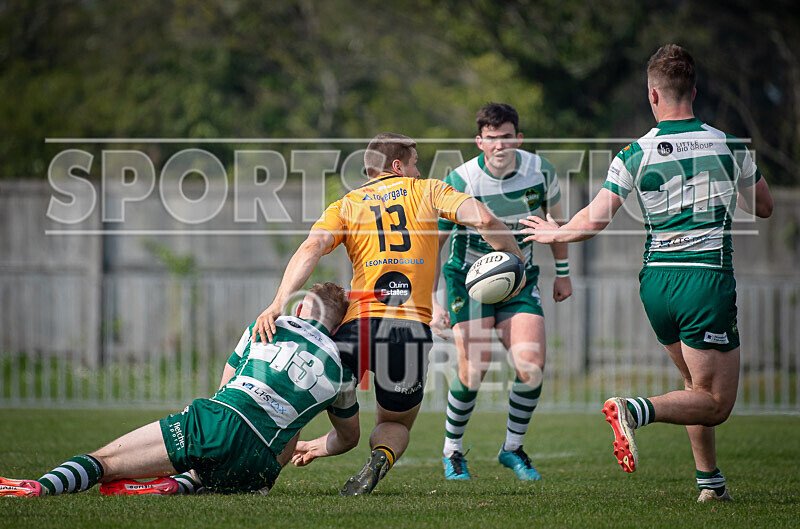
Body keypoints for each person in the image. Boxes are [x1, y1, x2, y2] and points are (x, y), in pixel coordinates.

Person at [520, 44, 773, 502]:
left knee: (695, 387)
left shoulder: (635, 152)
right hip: (704, 279)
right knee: (716, 404)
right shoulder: (730, 146)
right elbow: (765, 207)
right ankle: (632, 409)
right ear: (693, 91)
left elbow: (594, 221)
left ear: (653, 96)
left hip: (656, 284)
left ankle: (710, 485)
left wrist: (554, 233)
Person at [252, 132, 525, 495]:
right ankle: (380, 457)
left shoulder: (346, 204)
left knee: (294, 408)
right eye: (414, 163)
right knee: (395, 422)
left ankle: (257, 478)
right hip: (408, 331)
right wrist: (515, 258)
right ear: (398, 166)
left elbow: (312, 246)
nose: (417, 170)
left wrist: (277, 302)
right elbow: (485, 220)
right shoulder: (429, 190)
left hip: (358, 326)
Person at [0, 282, 360, 497]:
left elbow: (228, 381)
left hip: (220, 422)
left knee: (105, 462)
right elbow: (348, 438)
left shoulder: (270, 322)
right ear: (339, 324)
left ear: (300, 307)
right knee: (286, 426)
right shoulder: (343, 370)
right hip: (260, 467)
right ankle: (184, 484)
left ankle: (40, 487)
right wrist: (313, 448)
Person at [431, 103, 572, 481]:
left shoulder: (541, 172)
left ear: (518, 138)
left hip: (519, 279)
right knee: (474, 369)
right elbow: (436, 243)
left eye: (506, 137)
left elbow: (556, 224)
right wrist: (432, 301)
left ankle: (512, 449)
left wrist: (563, 274)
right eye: (491, 139)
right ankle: (453, 451)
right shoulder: (460, 180)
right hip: (467, 281)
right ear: (480, 142)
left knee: (531, 364)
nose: (499, 145)